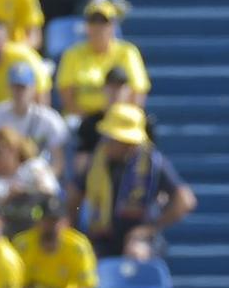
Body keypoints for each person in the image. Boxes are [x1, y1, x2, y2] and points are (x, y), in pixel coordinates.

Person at [68, 103, 196, 258]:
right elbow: (73, 198)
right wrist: (72, 232)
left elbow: (185, 201)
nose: (109, 143)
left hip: (140, 238)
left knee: (136, 253)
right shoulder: (96, 162)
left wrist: (151, 228)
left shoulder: (153, 163)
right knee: (85, 257)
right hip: (102, 239)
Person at [14, 196, 97, 288]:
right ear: (38, 222)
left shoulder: (77, 246)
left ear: (66, 222)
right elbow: (15, 285)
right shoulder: (23, 245)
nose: (51, 226)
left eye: (55, 220)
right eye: (46, 220)